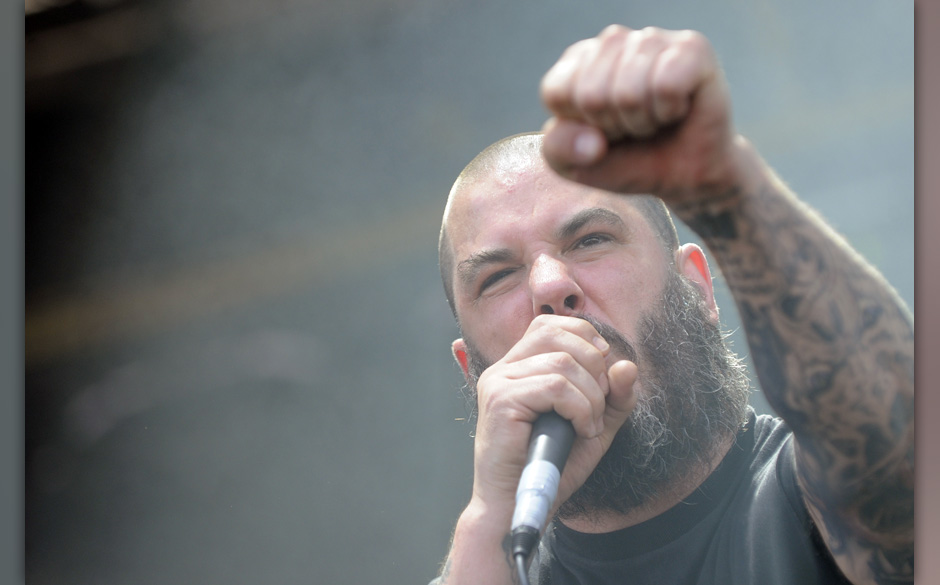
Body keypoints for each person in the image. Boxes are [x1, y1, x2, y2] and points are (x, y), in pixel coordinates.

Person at [430, 24, 913, 585]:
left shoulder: (798, 499)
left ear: (698, 289)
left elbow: (896, 447)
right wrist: (489, 522)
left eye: (591, 240)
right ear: (474, 374)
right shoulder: (490, 565)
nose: (548, 287)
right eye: (496, 277)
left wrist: (725, 191)